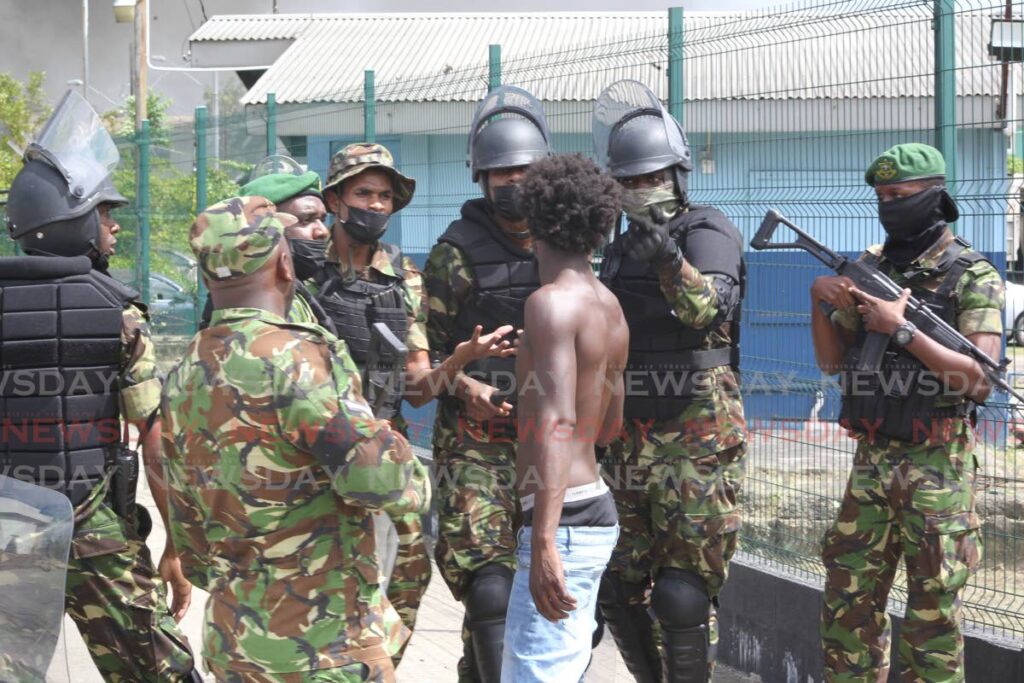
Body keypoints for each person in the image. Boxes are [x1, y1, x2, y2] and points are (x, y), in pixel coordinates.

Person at [161, 196, 431, 682]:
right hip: (324, 652)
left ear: (206, 278)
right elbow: (381, 481)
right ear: (285, 264)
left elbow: (192, 541)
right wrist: (400, 453)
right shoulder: (299, 358)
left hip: (231, 645)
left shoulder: (184, 373)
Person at [1, 90, 201, 681]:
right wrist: (177, 542)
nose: (113, 225)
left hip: (8, 532)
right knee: (165, 674)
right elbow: (154, 435)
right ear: (75, 219)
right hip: (93, 533)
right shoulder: (119, 314)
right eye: (105, 212)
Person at [811, 143, 1001, 682]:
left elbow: (979, 379)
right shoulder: (872, 268)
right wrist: (819, 300)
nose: (889, 206)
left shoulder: (972, 275)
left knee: (931, 616)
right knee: (847, 603)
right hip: (873, 462)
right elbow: (830, 362)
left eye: (901, 196)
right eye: (881, 197)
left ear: (934, 197)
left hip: (936, 466)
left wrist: (902, 330)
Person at [593, 79, 747, 682]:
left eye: (651, 177)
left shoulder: (705, 231)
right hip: (627, 435)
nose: (640, 191)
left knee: (681, 594)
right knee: (616, 582)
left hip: (697, 439)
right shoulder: (616, 248)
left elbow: (709, 308)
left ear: (679, 175)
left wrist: (667, 260)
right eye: (628, 182)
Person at [423, 85, 551, 682]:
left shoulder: (572, 244)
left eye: (523, 169)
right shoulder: (455, 255)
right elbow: (427, 363)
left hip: (555, 441)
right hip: (478, 443)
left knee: (558, 595)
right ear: (481, 177)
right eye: (500, 171)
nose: (512, 181)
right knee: (490, 590)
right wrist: (465, 382)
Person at [500, 154, 627, 682]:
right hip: (593, 508)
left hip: (565, 523)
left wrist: (544, 541)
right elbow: (609, 427)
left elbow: (557, 421)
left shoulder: (549, 304)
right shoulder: (608, 304)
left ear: (533, 220)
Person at [200, 154, 330, 329]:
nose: (323, 231)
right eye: (307, 219)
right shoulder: (264, 303)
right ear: (268, 229)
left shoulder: (294, 293)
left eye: (322, 219)